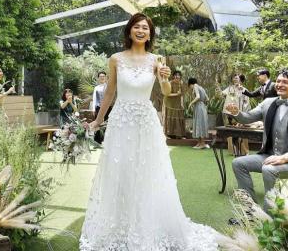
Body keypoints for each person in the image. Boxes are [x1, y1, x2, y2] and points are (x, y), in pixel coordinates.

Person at [83, 13, 221, 250]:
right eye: (137, 26)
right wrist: (98, 120)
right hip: (121, 121)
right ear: (129, 31)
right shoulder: (116, 59)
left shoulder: (157, 59)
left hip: (146, 122)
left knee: (147, 171)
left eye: (145, 28)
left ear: (150, 34)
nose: (141, 31)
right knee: (121, 170)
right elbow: (110, 92)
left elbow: (166, 92)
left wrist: (164, 78)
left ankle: (147, 225)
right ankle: (122, 224)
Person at [227, 70, 288, 204]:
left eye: (285, 82)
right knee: (238, 163)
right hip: (269, 156)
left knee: (269, 169)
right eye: (278, 81)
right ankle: (249, 208)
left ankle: (270, 212)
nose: (279, 84)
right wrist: (237, 113)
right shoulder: (267, 103)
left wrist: (285, 157)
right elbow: (248, 118)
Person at [222, 73, 250, 156]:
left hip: (240, 114)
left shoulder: (244, 90)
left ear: (241, 80)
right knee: (231, 132)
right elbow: (222, 94)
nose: (234, 79)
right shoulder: (229, 88)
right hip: (229, 113)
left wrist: (243, 114)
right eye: (234, 78)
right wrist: (218, 89)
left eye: (236, 78)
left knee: (241, 132)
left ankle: (245, 151)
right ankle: (233, 151)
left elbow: (246, 103)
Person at [162, 70, 187, 138]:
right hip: (169, 103)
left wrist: (182, 104)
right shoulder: (170, 83)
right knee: (170, 117)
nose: (177, 77)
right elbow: (167, 94)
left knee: (178, 117)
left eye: (178, 75)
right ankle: (167, 134)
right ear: (173, 76)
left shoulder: (181, 84)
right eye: (176, 75)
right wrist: (176, 94)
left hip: (177, 103)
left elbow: (182, 95)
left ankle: (178, 135)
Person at [187, 78, 210, 149]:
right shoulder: (201, 88)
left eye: (189, 86)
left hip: (198, 107)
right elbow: (207, 99)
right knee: (200, 124)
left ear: (190, 84)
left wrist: (191, 103)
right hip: (202, 106)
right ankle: (199, 143)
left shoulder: (195, 86)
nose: (191, 88)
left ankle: (202, 143)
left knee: (199, 124)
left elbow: (198, 96)